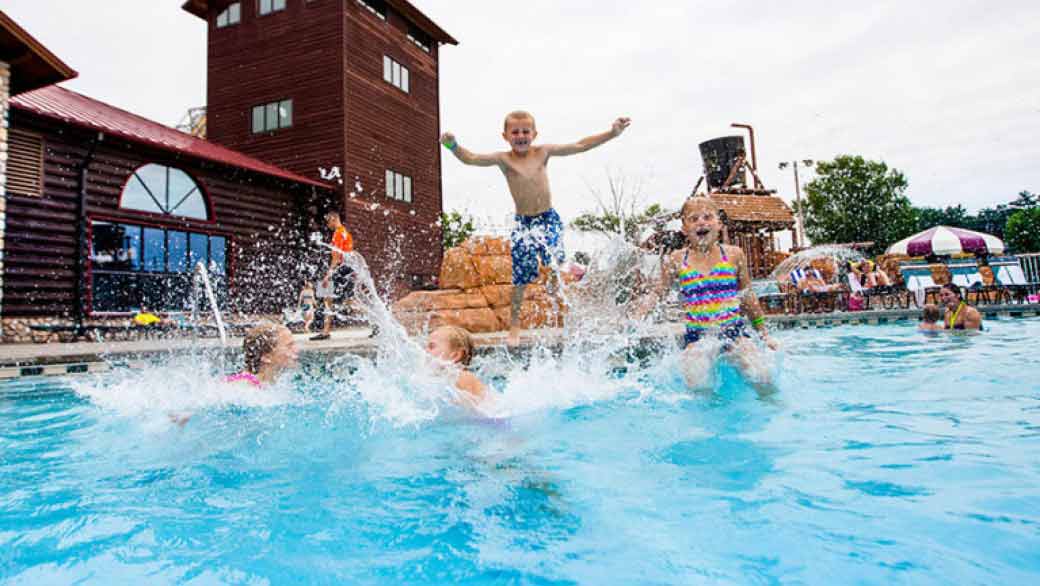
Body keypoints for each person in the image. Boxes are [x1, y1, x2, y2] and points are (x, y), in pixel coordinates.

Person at [441, 111, 631, 345]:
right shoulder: (504, 159)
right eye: (515, 132)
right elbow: (471, 158)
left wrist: (612, 133)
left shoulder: (543, 152)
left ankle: (555, 294)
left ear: (534, 134)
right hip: (524, 224)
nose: (521, 136)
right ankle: (514, 326)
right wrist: (453, 146)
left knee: (555, 260)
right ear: (505, 136)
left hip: (548, 219)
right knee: (520, 279)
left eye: (525, 131)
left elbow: (580, 145)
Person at [637, 197, 778, 391]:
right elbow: (658, 292)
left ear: (719, 224)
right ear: (684, 229)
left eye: (707, 217)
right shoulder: (676, 259)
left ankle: (770, 401)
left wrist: (763, 333)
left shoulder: (734, 254)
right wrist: (639, 316)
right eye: (693, 219)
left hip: (733, 332)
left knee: (761, 374)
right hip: (698, 336)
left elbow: (747, 295)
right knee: (696, 379)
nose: (701, 222)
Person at [312, 211, 377, 340]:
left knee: (328, 296)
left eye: (328, 222)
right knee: (348, 300)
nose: (327, 225)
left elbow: (336, 257)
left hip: (342, 268)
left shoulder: (337, 234)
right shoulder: (346, 233)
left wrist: (328, 275)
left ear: (333, 219)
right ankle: (375, 323)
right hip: (349, 269)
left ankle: (326, 332)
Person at [425, 325, 487, 406]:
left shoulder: (463, 377)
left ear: (455, 355)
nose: (425, 351)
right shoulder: (442, 379)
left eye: (432, 346)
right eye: (425, 347)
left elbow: (476, 412)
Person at [227, 322, 300, 387]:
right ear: (266, 356)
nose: (297, 349)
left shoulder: (269, 383)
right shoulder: (242, 385)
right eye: (289, 346)